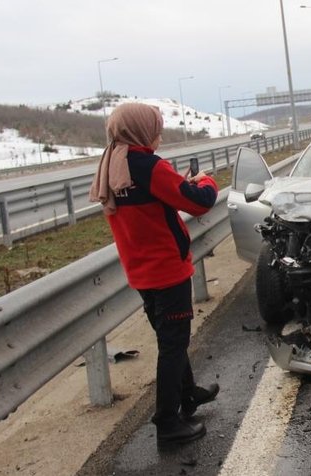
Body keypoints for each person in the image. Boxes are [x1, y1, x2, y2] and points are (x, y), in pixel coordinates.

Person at [89, 103, 220, 446]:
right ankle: (167, 423)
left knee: (169, 338)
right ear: (141, 130)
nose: (159, 132)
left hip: (140, 269)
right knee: (173, 344)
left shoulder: (111, 162)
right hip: (166, 269)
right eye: (156, 126)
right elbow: (198, 201)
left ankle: (189, 394)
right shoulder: (147, 164)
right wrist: (205, 179)